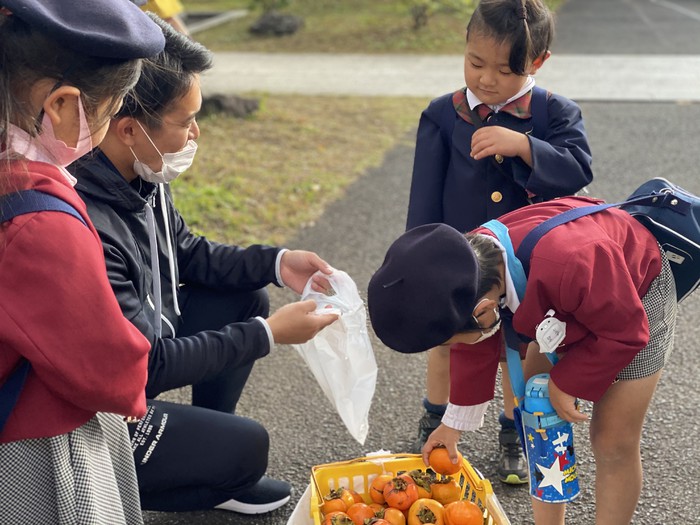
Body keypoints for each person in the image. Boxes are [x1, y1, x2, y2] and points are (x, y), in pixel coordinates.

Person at [69, 15, 339, 515]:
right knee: (246, 449)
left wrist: (279, 264)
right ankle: (157, 474)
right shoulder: (86, 224)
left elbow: (186, 250)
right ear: (128, 128)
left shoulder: (138, 170)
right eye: (185, 121)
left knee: (246, 295)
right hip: (111, 406)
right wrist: (267, 334)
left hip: (151, 348)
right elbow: (145, 366)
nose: (197, 133)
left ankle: (202, 449)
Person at [368, 196, 677, 524]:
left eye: (449, 341)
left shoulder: (571, 259)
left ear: (485, 311)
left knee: (612, 439)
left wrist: (566, 381)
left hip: (635, 298)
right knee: (537, 415)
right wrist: (452, 426)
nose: (453, 347)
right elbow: (474, 343)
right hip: (564, 299)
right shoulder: (466, 270)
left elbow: (626, 332)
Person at [405, 0, 593, 484]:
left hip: (528, 263)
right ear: (464, 49)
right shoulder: (442, 114)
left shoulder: (554, 112)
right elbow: (425, 195)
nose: (487, 79)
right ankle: (438, 414)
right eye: (475, 63)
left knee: (520, 342)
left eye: (506, 70)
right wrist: (417, 258)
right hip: (460, 261)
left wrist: (525, 146)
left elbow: (578, 170)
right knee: (452, 340)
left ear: (538, 62)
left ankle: (513, 430)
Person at [0, 1, 165, 524]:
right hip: (34, 438)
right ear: (65, 106)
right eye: (110, 109)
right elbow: (106, 368)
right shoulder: (37, 220)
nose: (111, 122)